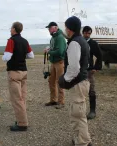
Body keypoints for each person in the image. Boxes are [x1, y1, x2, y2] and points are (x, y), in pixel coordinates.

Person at [58, 16, 92, 146]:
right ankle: (81, 138)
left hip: (78, 84)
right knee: (79, 113)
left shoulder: (74, 43)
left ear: (69, 28)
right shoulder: (82, 41)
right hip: (83, 81)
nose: (65, 30)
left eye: (66, 27)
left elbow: (74, 68)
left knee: (77, 115)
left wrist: (64, 80)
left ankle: (83, 142)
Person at [2, 22, 34, 132]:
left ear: (14, 29)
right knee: (22, 97)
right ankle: (21, 119)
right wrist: (20, 55)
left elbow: (7, 57)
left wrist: (4, 57)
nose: (10, 29)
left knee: (16, 99)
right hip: (24, 71)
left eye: (11, 27)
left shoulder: (11, 40)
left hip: (14, 71)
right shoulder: (25, 41)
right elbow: (31, 55)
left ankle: (22, 123)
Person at [43, 22, 67, 109]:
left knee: (59, 81)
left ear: (56, 28)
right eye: (48, 28)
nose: (49, 29)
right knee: (51, 81)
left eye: (50, 28)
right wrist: (49, 49)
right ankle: (53, 100)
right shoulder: (53, 38)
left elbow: (60, 51)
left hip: (59, 62)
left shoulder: (60, 37)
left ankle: (61, 102)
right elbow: (55, 49)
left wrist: (49, 52)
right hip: (53, 62)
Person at [82, 26, 102, 120]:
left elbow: (99, 55)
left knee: (91, 90)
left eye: (89, 33)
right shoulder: (78, 42)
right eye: (85, 33)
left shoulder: (93, 43)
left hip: (89, 70)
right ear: (83, 33)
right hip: (80, 70)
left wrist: (96, 67)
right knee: (80, 91)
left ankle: (92, 111)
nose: (87, 35)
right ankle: (80, 111)